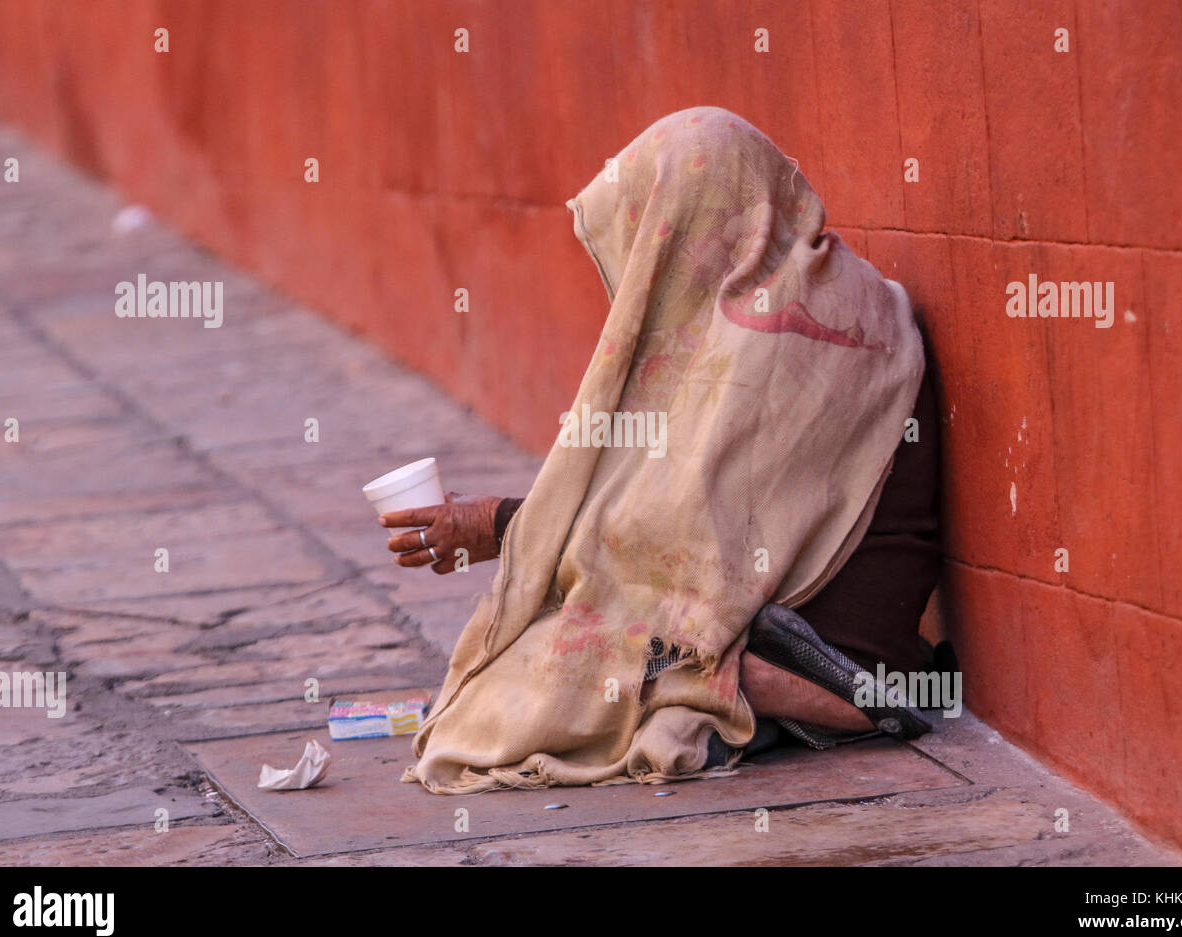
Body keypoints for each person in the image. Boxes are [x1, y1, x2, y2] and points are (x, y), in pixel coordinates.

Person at [387, 107, 950, 795]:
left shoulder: (769, 337)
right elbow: (672, 510)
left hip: (833, 653)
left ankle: (773, 692)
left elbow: (669, 544)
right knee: (556, 650)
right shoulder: (828, 294)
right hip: (831, 624)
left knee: (518, 698)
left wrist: (500, 526)